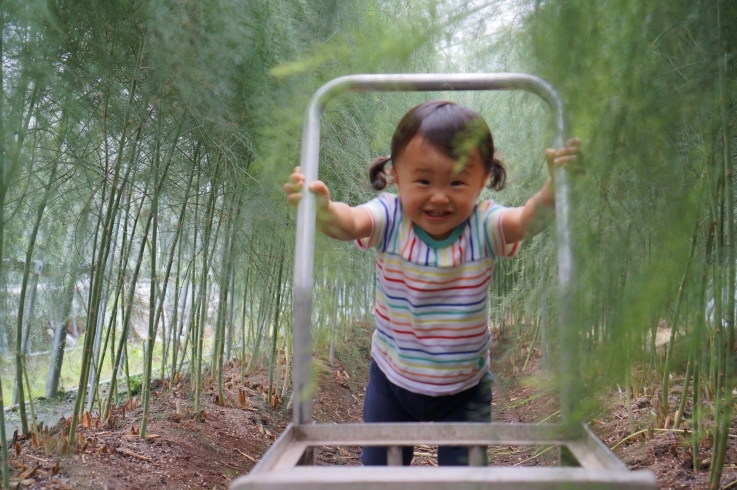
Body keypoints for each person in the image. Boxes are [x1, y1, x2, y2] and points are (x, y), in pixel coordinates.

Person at [284, 100, 580, 466]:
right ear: (395, 175)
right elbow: (349, 224)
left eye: (457, 182)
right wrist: (323, 211)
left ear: (485, 178)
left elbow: (525, 222)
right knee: (378, 471)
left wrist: (553, 191)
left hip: (465, 388)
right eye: (423, 181)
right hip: (391, 378)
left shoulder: (484, 225)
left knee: (465, 475)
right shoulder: (389, 215)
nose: (439, 196)